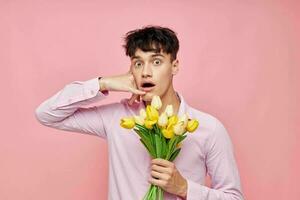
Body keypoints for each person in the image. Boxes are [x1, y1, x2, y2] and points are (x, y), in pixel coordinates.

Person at [35, 25, 244, 200]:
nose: (145, 72)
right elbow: (46, 114)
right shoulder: (117, 118)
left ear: (175, 66)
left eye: (156, 61)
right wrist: (103, 83)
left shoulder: (208, 128)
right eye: (138, 63)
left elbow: (234, 197)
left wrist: (185, 188)